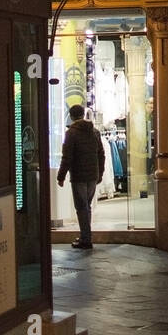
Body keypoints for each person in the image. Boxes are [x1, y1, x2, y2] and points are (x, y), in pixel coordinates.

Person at [56, 104, 105, 250]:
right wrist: (100, 173)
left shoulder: (71, 133)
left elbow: (67, 157)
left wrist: (61, 176)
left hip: (78, 175)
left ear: (71, 117)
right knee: (86, 207)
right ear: (83, 115)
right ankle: (85, 236)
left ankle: (86, 239)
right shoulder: (94, 132)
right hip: (92, 175)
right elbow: (101, 154)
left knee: (81, 207)